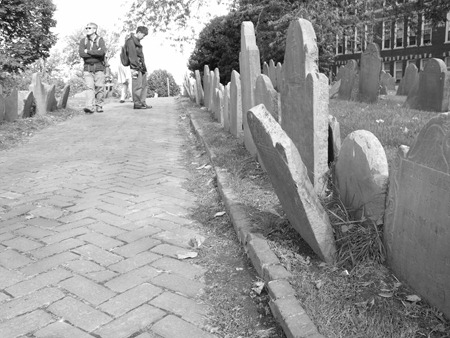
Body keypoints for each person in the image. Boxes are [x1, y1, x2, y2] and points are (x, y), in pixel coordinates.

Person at [78, 22, 107, 113]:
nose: (87, 30)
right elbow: (82, 54)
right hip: (87, 68)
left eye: (89, 28)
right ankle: (89, 106)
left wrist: (88, 51)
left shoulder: (100, 40)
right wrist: (95, 52)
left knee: (99, 87)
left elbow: (102, 52)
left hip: (99, 67)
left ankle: (99, 105)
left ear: (95, 30)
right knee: (89, 87)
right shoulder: (83, 41)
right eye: (86, 28)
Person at [125, 26, 151, 109]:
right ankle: (137, 103)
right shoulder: (130, 41)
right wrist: (135, 67)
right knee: (137, 86)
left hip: (141, 66)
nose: (143, 37)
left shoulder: (137, 41)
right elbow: (132, 56)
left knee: (144, 85)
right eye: (143, 35)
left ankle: (142, 102)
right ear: (139, 32)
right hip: (135, 67)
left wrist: (144, 68)